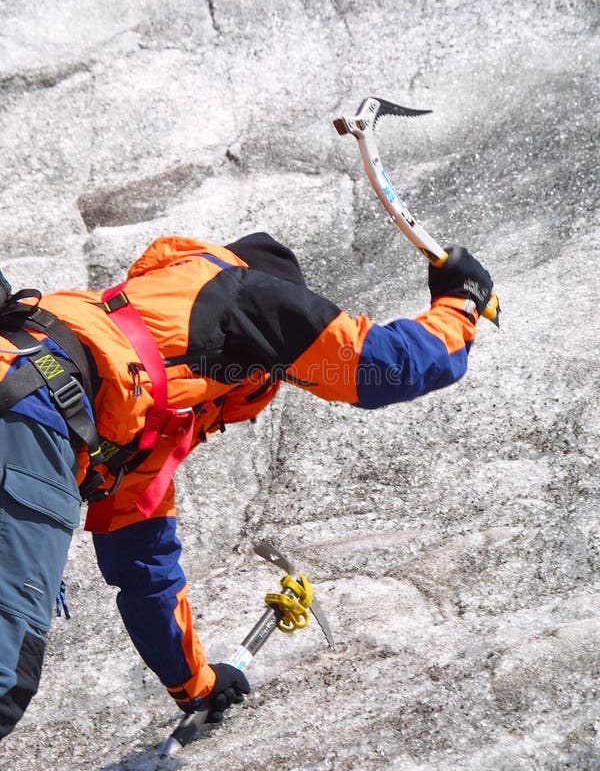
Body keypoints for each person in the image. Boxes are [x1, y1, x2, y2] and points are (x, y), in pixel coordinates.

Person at [0, 232, 494, 739]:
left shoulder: (137, 400)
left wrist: (198, 685)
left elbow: (144, 570)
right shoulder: (241, 294)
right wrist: (461, 301)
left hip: (30, 396)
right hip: (30, 415)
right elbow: (383, 366)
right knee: (3, 678)